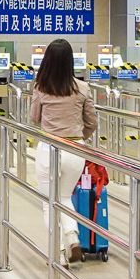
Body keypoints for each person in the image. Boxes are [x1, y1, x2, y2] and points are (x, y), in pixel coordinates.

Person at [30, 39, 98, 265]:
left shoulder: (41, 87)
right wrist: (80, 137)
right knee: (65, 196)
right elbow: (92, 122)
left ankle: (59, 252)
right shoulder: (83, 88)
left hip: (49, 147)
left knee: (49, 202)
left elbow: (34, 118)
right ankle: (71, 235)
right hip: (75, 148)